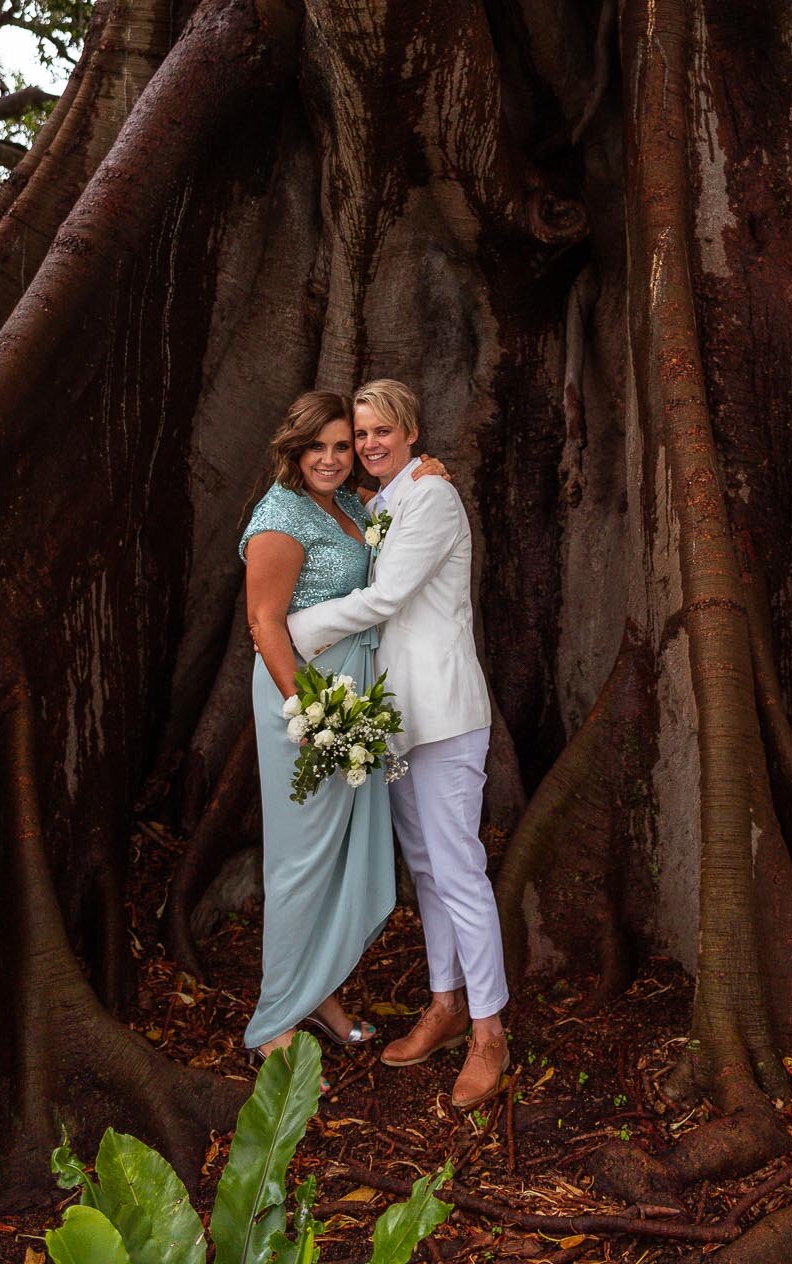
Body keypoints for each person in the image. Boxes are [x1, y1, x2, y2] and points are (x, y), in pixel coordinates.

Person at [286, 378, 510, 1113]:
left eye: (384, 431)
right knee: (426, 868)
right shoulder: (377, 503)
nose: (372, 444)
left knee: (458, 869)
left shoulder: (433, 499)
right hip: (395, 719)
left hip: (443, 711)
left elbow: (387, 598)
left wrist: (298, 631)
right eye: (362, 435)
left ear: (411, 433)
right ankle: (444, 1006)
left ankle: (488, 1032)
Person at [239, 388, 447, 1068]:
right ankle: (274, 1022)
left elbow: (399, 521)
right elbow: (264, 623)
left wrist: (425, 471)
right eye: (317, 447)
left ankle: (319, 995)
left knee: (341, 858)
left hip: (355, 698)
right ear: (293, 450)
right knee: (301, 860)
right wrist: (309, 708)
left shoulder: (351, 505)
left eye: (341, 445)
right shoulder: (279, 517)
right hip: (303, 701)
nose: (332, 458)